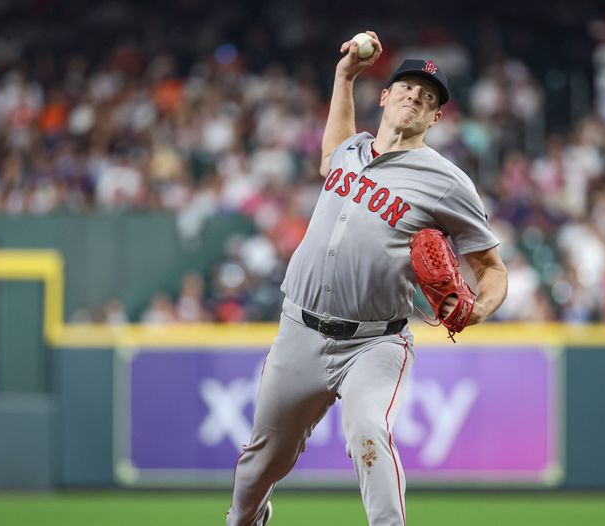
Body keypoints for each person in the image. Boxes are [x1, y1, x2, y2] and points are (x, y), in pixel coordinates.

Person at [226, 31, 508, 526]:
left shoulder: (446, 181)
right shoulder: (351, 151)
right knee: (261, 461)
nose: (415, 97)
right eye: (407, 88)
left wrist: (480, 307)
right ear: (385, 96)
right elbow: (328, 153)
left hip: (373, 344)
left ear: (435, 116)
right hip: (300, 331)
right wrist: (344, 75)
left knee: (368, 434)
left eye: (428, 97)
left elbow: (492, 269)